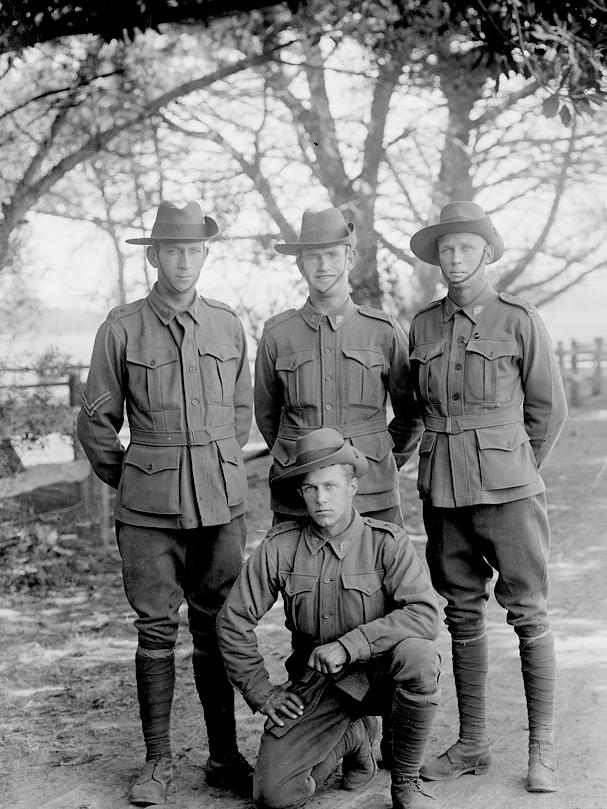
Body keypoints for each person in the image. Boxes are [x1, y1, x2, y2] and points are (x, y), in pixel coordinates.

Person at [77, 201, 254, 806]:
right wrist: (134, 476)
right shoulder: (121, 328)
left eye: (194, 250)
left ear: (205, 254)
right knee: (155, 628)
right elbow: (98, 423)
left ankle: (224, 756)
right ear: (152, 256)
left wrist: (213, 461)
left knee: (218, 624)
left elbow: (239, 413)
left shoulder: (228, 325)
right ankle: (157, 763)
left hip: (220, 502)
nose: (183, 261)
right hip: (148, 507)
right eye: (171, 250)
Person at [402, 201, 568, 793]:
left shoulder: (519, 319)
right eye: (446, 249)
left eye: (466, 247)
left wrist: (513, 467)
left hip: (510, 493)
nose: (454, 257)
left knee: (528, 612)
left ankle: (541, 750)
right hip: (443, 492)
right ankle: (472, 744)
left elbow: (547, 411)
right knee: (461, 611)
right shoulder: (421, 326)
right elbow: (412, 410)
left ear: (488, 253)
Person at [216, 427, 442, 809]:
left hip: (382, 674)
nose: (321, 498)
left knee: (420, 658)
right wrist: (262, 692)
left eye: (331, 486)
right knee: (274, 795)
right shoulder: (280, 547)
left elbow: (423, 614)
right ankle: (351, 740)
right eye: (311, 489)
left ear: (352, 487)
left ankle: (405, 783)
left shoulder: (385, 542)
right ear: (301, 493)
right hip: (320, 685)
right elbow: (232, 621)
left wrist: (350, 645)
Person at [254, 207, 422, 526]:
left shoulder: (382, 331)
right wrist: (297, 459)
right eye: (313, 256)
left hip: (372, 493)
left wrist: (379, 458)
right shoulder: (278, 334)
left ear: (350, 258)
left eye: (332, 254)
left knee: (380, 573)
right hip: (299, 494)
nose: (324, 265)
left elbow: (411, 413)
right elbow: (266, 415)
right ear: (301, 263)